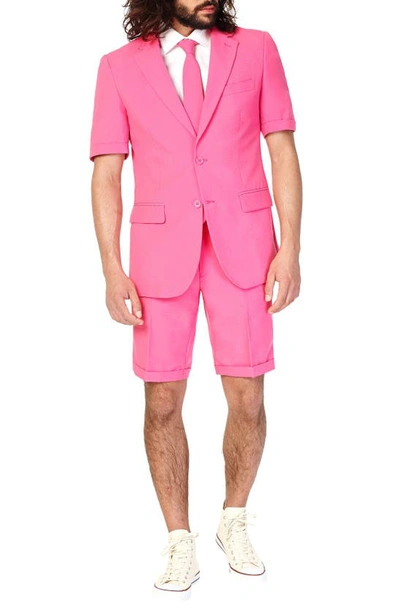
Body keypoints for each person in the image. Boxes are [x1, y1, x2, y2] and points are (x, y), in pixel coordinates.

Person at [89, 0, 302, 599]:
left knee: (248, 394)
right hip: (160, 254)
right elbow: (107, 172)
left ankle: (234, 519)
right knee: (162, 400)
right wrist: (111, 267)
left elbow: (282, 149)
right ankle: (179, 537)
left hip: (246, 247)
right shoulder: (117, 68)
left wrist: (290, 247)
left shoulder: (257, 48)